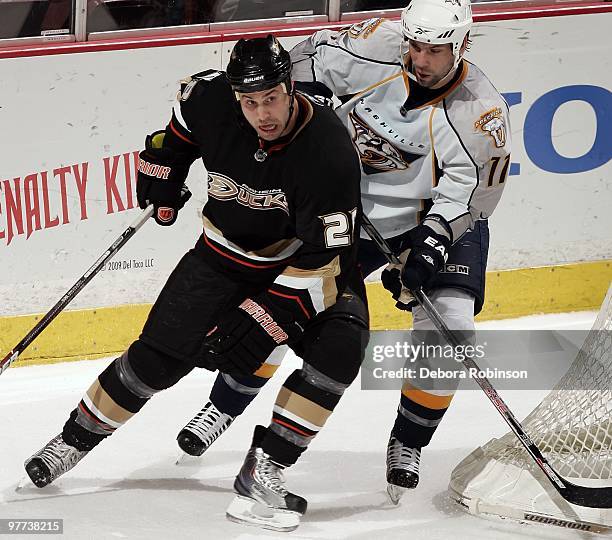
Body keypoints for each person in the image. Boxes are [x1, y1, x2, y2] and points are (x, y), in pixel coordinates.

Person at [177, 0, 511, 506]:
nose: (420, 59)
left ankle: (408, 441)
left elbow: (473, 193)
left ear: (462, 44)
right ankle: (224, 405)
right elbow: (296, 65)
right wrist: (305, 105)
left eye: (435, 50)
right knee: (290, 301)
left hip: (436, 218)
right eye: (415, 46)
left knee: (451, 324)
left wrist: (433, 242)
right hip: (352, 209)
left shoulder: (481, 113)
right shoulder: (373, 45)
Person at [24, 35, 364, 531]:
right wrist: (163, 172)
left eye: (272, 98)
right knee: (156, 361)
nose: (263, 113)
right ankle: (72, 441)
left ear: (291, 88)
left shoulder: (328, 150)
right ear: (235, 98)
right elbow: (174, 136)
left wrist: (267, 315)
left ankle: (266, 468)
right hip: (220, 257)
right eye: (250, 102)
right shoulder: (208, 101)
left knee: (341, 348)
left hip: (301, 261)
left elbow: (329, 255)